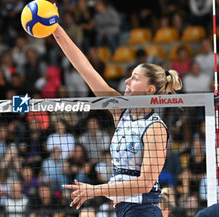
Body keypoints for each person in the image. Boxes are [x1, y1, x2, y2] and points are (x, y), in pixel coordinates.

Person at [53, 16, 182, 216]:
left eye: (135, 78)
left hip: (142, 210)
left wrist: (95, 190)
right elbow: (86, 71)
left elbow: (145, 183)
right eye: (129, 76)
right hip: (123, 209)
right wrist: (57, 31)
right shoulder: (121, 111)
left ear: (150, 89)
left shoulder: (155, 127)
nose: (127, 81)